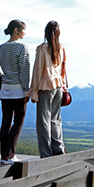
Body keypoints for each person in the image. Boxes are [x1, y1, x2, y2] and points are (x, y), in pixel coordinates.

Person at [0, 19, 30, 164]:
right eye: (23, 29)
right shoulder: (21, 48)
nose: (25, 32)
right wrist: (27, 90)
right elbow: (24, 71)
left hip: (5, 91)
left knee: (6, 121)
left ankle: (5, 155)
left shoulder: (1, 48)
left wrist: (3, 77)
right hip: (18, 91)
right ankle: (9, 155)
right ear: (16, 30)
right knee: (18, 121)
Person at [29, 20, 67, 158]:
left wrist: (33, 92)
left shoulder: (42, 49)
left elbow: (37, 72)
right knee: (56, 120)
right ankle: (58, 148)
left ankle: (46, 154)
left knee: (43, 121)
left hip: (46, 88)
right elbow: (63, 69)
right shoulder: (61, 48)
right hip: (58, 88)